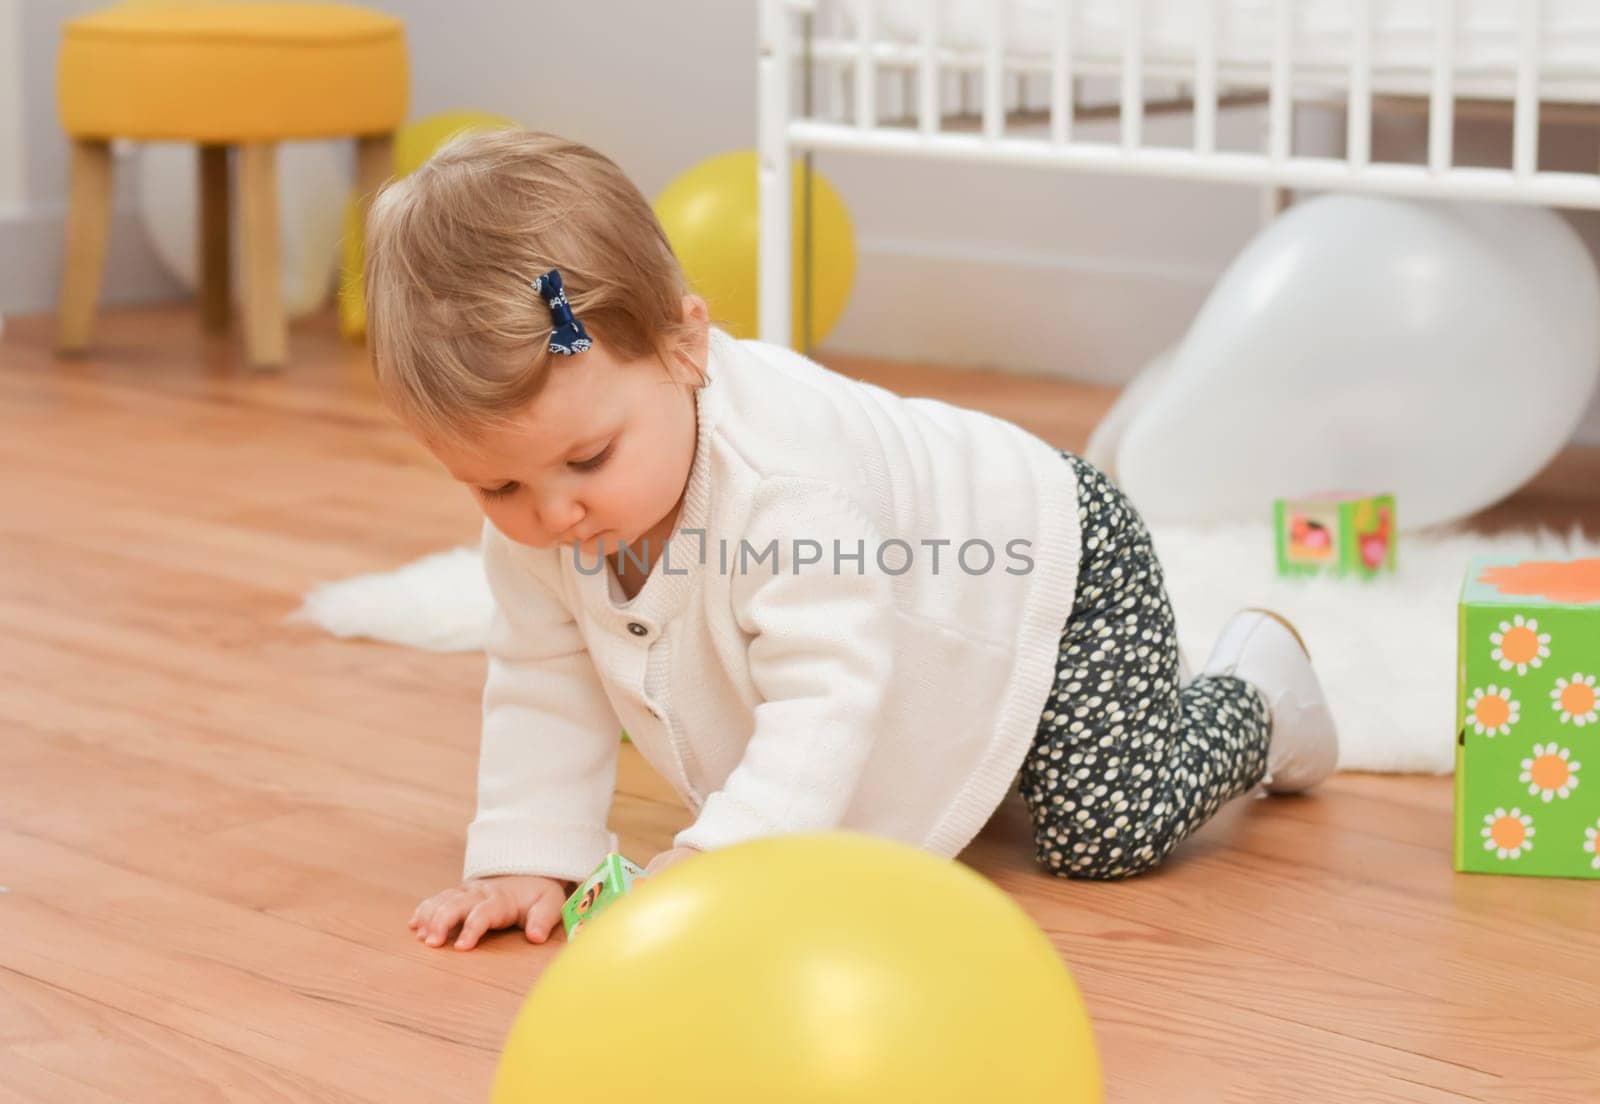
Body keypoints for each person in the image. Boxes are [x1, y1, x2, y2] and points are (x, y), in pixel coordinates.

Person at [375, 130, 1340, 952]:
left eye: (588, 459)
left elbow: (828, 692)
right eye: (498, 484)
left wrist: (725, 864)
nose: (553, 517)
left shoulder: (788, 484)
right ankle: (1010, 737)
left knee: (1106, 828)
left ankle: (1260, 695)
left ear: (685, 346)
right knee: (933, 739)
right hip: (925, 604)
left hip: (1059, 551)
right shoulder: (547, 520)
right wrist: (526, 855)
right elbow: (544, 678)